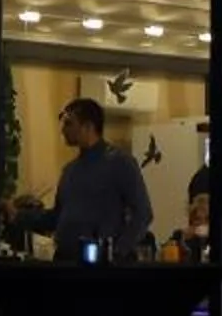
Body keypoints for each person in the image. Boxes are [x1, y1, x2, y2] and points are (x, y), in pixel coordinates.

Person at [48, 98, 152, 263]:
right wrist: (20, 216)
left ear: (88, 127)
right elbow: (57, 216)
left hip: (100, 260)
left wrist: (117, 252)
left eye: (69, 123)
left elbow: (143, 213)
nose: (63, 130)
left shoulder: (119, 163)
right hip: (66, 258)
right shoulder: (70, 170)